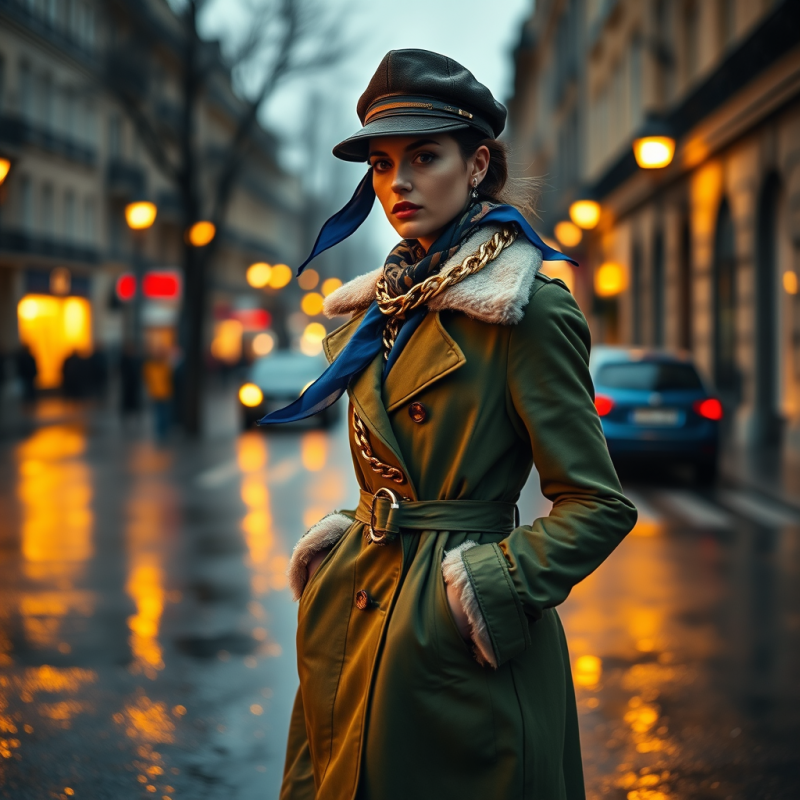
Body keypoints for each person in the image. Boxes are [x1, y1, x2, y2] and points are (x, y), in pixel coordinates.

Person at [261, 50, 638, 800]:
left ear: (477, 166)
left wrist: (485, 588)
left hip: (460, 649)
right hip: (361, 619)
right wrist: (355, 526)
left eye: (424, 156)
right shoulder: (381, 311)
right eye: (380, 163)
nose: (396, 182)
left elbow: (599, 505)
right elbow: (407, 471)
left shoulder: (525, 311)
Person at [143, 343, 174, 444]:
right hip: (159, 393)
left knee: (162, 413)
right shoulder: (155, 365)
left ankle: (162, 431)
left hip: (163, 392)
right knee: (160, 413)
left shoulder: (164, 364)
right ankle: (161, 431)